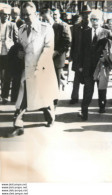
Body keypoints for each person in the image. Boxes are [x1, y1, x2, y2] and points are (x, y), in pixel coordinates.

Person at [6, 2, 58, 137]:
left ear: (35, 13)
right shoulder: (22, 29)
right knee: (23, 96)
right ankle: (18, 123)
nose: (26, 18)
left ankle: (50, 115)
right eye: (24, 15)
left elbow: (48, 50)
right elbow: (20, 47)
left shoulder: (46, 29)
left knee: (42, 97)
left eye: (28, 15)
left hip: (41, 69)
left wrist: (39, 67)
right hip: (26, 70)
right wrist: (19, 54)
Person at [78, 9, 112, 121]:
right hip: (88, 66)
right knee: (88, 89)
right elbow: (81, 51)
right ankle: (84, 111)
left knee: (101, 88)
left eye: (96, 19)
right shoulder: (85, 32)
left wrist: (107, 61)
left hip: (101, 65)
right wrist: (80, 65)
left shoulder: (107, 33)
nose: (94, 22)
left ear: (101, 20)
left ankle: (102, 106)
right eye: (92, 19)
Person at [69, 5, 91, 104]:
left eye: (88, 14)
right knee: (77, 78)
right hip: (78, 56)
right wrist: (72, 56)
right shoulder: (76, 27)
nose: (86, 16)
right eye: (84, 14)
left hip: (88, 57)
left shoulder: (91, 27)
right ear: (81, 15)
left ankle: (87, 99)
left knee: (88, 78)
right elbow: (73, 42)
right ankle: (74, 97)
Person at [0, 3, 18, 104]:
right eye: (4, 14)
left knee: (7, 75)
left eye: (7, 15)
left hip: (8, 53)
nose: (6, 16)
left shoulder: (12, 25)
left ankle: (5, 96)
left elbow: (16, 40)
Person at [52, 9, 71, 88]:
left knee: (57, 78)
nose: (54, 16)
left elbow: (67, 41)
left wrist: (58, 51)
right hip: (50, 55)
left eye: (56, 14)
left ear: (59, 15)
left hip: (58, 56)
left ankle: (56, 98)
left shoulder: (63, 25)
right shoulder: (50, 25)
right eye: (53, 14)